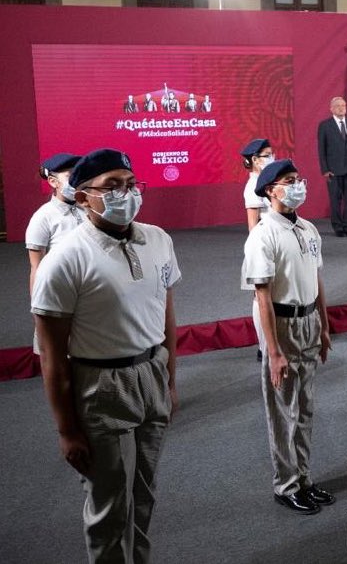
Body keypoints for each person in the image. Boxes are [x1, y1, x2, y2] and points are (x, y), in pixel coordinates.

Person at [31, 148, 181, 563]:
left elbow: (165, 315)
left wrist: (169, 380)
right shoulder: (65, 258)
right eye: (111, 187)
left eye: (131, 185)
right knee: (110, 506)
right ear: (82, 198)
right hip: (101, 385)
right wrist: (66, 429)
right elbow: (52, 356)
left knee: (144, 495)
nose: (125, 194)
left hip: (150, 373)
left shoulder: (158, 239)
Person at [241, 158, 334, 515]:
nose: (298, 185)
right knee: (283, 410)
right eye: (289, 181)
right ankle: (286, 483)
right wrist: (273, 352)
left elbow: (317, 279)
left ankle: (305, 477)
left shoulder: (309, 229)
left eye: (299, 178)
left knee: (305, 405)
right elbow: (262, 296)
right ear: (270, 190)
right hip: (281, 325)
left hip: (309, 319)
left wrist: (324, 326)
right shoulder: (263, 235)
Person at [26, 153, 86, 295]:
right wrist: (37, 306)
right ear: (53, 182)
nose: (77, 181)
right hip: (63, 286)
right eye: (70, 176)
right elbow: (36, 267)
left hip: (93, 283)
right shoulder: (43, 217)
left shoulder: (91, 209)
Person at [240, 138, 274, 362]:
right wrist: (257, 252)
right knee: (259, 296)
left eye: (272, 154)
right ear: (254, 160)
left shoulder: (266, 180)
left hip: (275, 240)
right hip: (262, 244)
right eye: (267, 155)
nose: (272, 158)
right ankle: (263, 346)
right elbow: (253, 223)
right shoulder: (253, 186)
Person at [317, 96, 347, 236]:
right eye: (337, 106)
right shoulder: (325, 126)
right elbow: (321, 149)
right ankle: (338, 228)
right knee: (335, 200)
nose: (341, 108)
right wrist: (325, 169)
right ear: (331, 109)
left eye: (343, 105)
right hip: (333, 170)